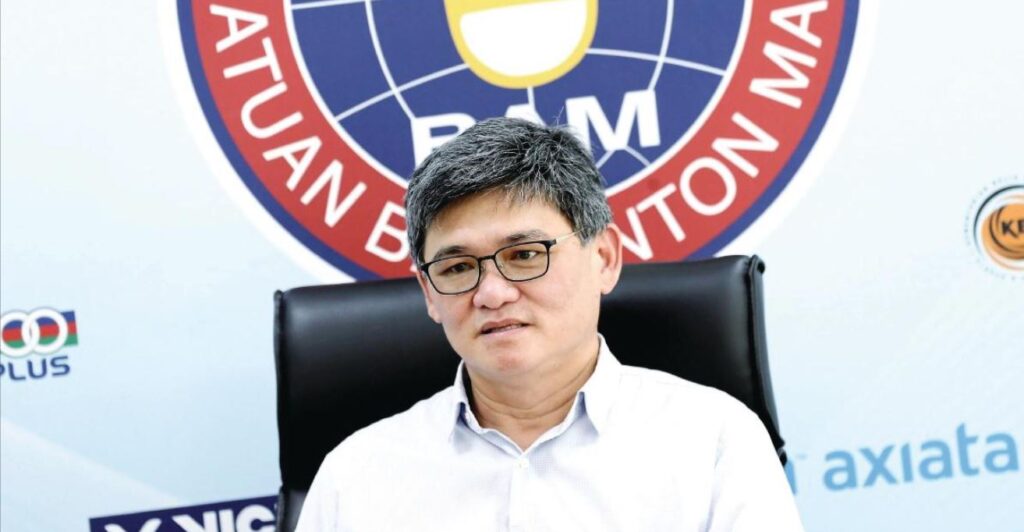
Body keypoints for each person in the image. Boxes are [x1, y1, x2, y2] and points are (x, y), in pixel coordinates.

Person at [296, 118, 804, 531]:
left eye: (524, 255)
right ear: (429, 293)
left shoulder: (713, 440)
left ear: (603, 257)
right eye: (457, 268)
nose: (492, 294)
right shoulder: (355, 477)